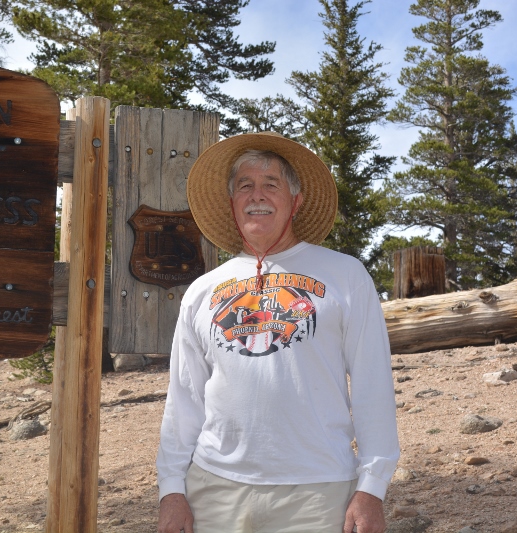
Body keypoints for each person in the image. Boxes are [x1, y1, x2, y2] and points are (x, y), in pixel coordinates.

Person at [156, 132, 400, 533]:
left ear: (296, 201)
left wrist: (372, 487)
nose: (257, 195)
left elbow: (374, 385)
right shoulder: (202, 291)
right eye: (245, 186)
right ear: (232, 202)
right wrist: (171, 489)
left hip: (317, 490)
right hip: (213, 488)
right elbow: (184, 398)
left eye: (271, 184)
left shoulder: (345, 275)